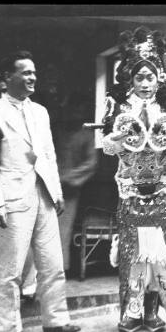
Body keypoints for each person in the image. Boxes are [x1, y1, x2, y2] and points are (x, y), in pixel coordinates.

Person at [0, 50, 80, 332]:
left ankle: (56, 320)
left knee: (52, 263)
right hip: (11, 198)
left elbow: (47, 155)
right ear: (7, 78)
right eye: (25, 72)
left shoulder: (40, 112)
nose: (32, 77)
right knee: (10, 269)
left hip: (44, 196)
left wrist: (57, 191)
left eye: (34, 72)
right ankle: (11, 328)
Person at [102, 27, 166, 332]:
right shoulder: (119, 108)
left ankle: (154, 311)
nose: (144, 83)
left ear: (160, 79)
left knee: (159, 253)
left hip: (163, 187)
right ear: (130, 79)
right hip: (130, 189)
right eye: (139, 77)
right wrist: (118, 135)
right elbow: (108, 147)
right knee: (134, 251)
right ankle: (132, 309)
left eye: (150, 77)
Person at [0, 73, 38, 322]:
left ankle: (28, 290)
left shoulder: (30, 117)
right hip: (1, 191)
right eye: (0, 91)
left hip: (27, 189)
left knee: (28, 247)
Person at [55, 92, 98, 272]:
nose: (75, 113)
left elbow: (91, 163)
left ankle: (59, 270)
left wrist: (69, 178)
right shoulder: (59, 131)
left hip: (70, 189)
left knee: (62, 231)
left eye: (79, 110)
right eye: (73, 109)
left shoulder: (87, 134)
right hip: (49, 185)